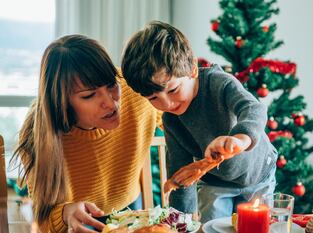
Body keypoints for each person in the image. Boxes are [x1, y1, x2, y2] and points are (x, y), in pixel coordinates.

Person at [121, 21, 277, 223]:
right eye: (153, 98)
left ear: (193, 69)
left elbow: (253, 108)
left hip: (259, 174)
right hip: (215, 183)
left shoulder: (219, 83)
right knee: (211, 227)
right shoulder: (171, 121)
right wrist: (180, 223)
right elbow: (181, 174)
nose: (167, 103)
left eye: (173, 90)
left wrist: (240, 139)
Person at [11, 35, 162, 233]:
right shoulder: (36, 133)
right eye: (89, 95)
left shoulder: (133, 91)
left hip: (131, 207)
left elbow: (179, 114)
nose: (111, 103)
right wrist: (65, 213)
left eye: (111, 86)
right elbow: (44, 219)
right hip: (78, 222)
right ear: (62, 102)